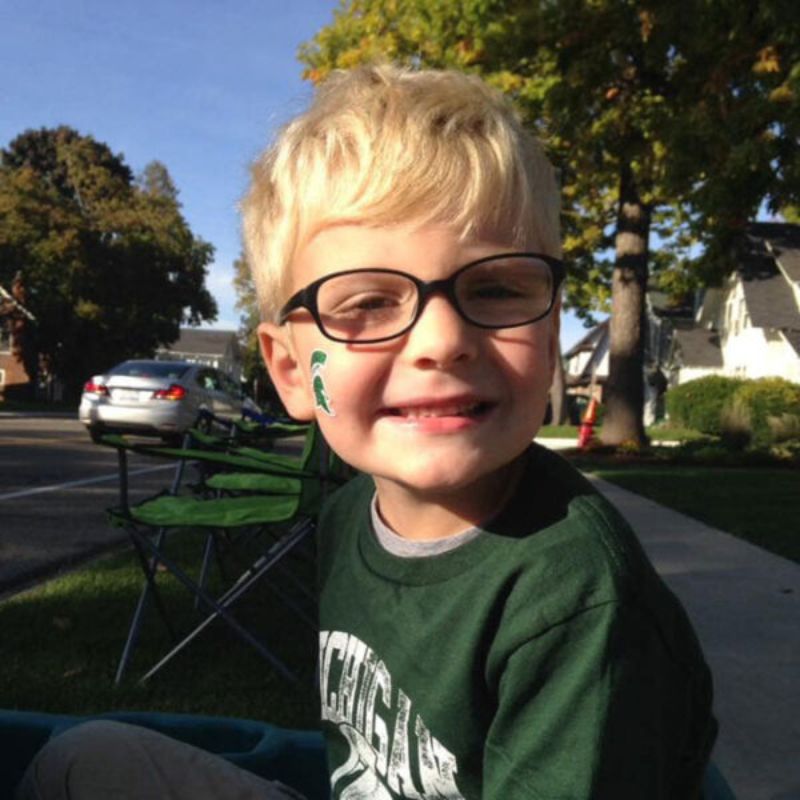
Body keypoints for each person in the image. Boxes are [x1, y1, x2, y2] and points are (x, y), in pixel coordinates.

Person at [18, 64, 717, 800]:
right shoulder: (349, 515)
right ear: (289, 370)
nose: (441, 340)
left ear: (548, 330)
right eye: (367, 304)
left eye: (497, 288)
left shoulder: (578, 602)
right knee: (83, 759)